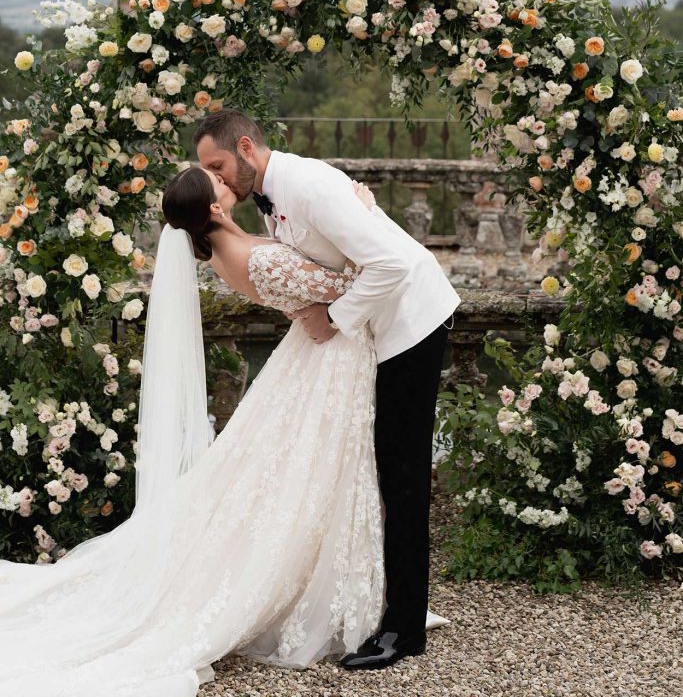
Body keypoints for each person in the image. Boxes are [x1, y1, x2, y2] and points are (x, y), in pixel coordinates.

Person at [0, 161, 452, 696]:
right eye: (215, 178)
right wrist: (367, 212)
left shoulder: (237, 244)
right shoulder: (248, 257)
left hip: (325, 357)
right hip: (328, 359)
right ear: (213, 207)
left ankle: (353, 590)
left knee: (317, 477)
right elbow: (350, 279)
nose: (225, 179)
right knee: (314, 478)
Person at [194, 108, 462, 671]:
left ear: (245, 147)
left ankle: (404, 629)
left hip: (411, 323)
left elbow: (391, 263)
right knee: (385, 468)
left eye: (218, 165)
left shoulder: (309, 184)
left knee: (404, 474)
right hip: (377, 326)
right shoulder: (272, 196)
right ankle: (383, 606)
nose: (217, 179)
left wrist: (335, 317)